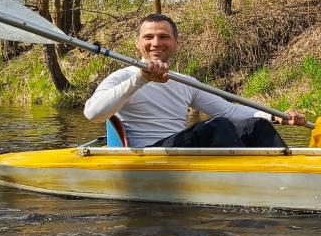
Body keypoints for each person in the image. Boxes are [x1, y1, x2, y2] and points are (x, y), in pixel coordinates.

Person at [84, 13, 307, 148]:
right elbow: (93, 114)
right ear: (138, 43)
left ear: (175, 43)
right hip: (149, 154)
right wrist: (141, 79)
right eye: (148, 37)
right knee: (217, 127)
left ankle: (285, 175)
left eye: (164, 37)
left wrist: (277, 116)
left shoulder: (185, 82)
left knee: (254, 126)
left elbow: (229, 111)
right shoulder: (123, 77)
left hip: (180, 148)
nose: (156, 42)